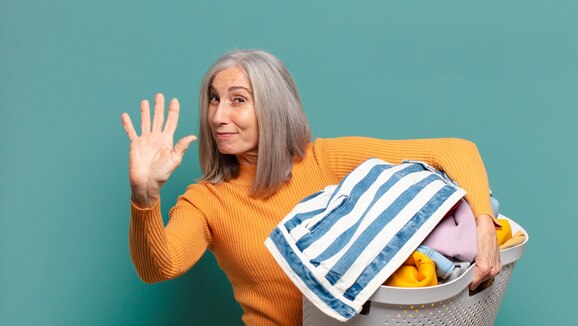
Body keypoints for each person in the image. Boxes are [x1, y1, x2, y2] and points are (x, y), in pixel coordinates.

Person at [120, 49, 502, 325]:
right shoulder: (207, 200)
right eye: (214, 100)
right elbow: (160, 266)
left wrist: (484, 226)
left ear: (273, 107)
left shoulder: (323, 160)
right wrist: (144, 197)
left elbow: (453, 150)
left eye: (238, 100)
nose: (218, 116)